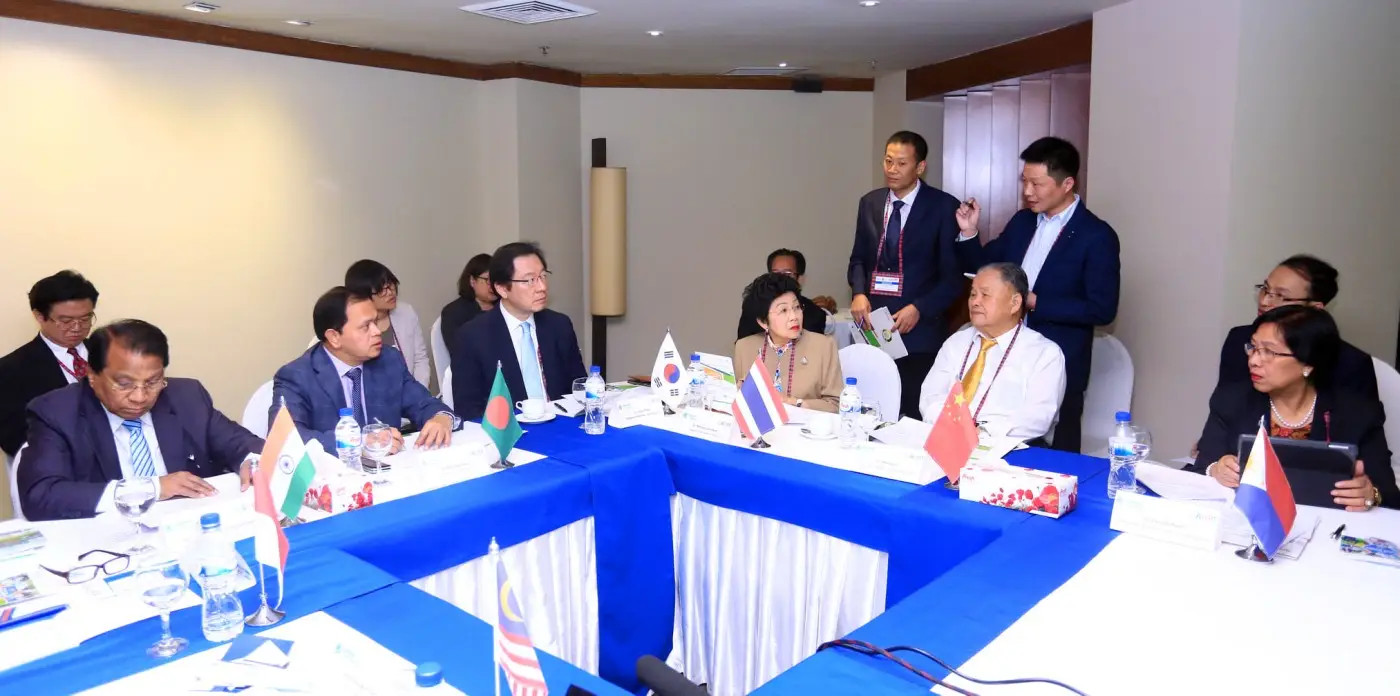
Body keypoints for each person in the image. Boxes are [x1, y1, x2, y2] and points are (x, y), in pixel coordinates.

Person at [954, 136, 1120, 452]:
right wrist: (969, 232)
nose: (1027, 191)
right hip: (1005, 357)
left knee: (1056, 457)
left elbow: (1102, 308)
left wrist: (1036, 302)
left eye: (1037, 184)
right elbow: (986, 268)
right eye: (1024, 181)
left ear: (1067, 184)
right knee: (998, 446)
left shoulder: (1096, 236)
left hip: (1059, 358)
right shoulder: (1023, 222)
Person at [17, 320, 262, 521]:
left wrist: (252, 461)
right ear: (92, 376)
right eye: (124, 384)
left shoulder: (187, 396)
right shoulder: (57, 412)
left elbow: (242, 444)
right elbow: (41, 495)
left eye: (153, 382)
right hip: (109, 537)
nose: (140, 397)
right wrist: (151, 488)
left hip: (187, 526)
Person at [1189, 306, 1397, 511]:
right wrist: (1215, 469)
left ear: (1308, 363)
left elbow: (1388, 492)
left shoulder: (1357, 412)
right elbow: (1201, 465)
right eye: (1252, 347)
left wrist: (1371, 495)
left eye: (1269, 351)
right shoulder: (1231, 400)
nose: (1253, 360)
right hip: (1252, 519)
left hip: (1330, 522)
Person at [847, 131, 964, 419]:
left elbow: (953, 278)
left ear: (920, 167)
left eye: (901, 163)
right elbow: (858, 258)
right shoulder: (870, 202)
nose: (892, 169)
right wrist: (859, 292)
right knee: (871, 411)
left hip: (919, 333)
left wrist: (920, 308)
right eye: (888, 161)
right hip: (874, 328)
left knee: (910, 415)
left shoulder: (943, 207)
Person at [273, 287, 458, 455]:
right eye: (365, 326)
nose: (377, 331)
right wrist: (357, 443)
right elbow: (286, 439)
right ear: (334, 337)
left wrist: (441, 418)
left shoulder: (388, 360)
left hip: (390, 469)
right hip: (333, 475)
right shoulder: (296, 376)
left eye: (375, 322)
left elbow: (423, 403)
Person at [920, 263, 1067, 442]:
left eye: (985, 295)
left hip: (1009, 446)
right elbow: (931, 395)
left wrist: (982, 432)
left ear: (1014, 303)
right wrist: (951, 425)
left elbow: (1038, 417)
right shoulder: (956, 342)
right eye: (973, 294)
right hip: (948, 438)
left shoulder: (1044, 353)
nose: (975, 302)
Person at [450, 242, 586, 421]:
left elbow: (579, 388)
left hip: (561, 425)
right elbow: (468, 410)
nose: (542, 287)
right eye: (530, 280)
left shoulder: (559, 325)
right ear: (502, 288)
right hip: (507, 431)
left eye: (543, 276)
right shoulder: (472, 336)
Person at [1215, 255, 1377, 399]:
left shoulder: (1353, 363)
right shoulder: (1240, 339)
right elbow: (1226, 405)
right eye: (1265, 289)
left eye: (1280, 295)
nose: (1264, 301)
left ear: (1314, 308)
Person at [0, 271, 101, 458]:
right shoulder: (10, 369)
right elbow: (14, 438)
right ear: (39, 316)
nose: (77, 327)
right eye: (66, 320)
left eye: (85, 319)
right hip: (60, 464)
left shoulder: (110, 353)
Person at [733, 273, 844, 412]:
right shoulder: (744, 347)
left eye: (797, 307)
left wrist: (793, 402)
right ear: (763, 322)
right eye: (783, 310)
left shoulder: (824, 346)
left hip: (807, 424)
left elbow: (835, 405)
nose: (794, 317)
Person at [345, 260, 431, 388]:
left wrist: (419, 393)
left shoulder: (406, 312)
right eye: (381, 290)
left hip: (408, 392)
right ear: (362, 296)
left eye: (390, 285)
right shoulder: (349, 326)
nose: (391, 293)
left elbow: (420, 359)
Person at [736, 249, 827, 340]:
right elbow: (743, 343)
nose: (780, 279)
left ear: (800, 279)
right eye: (775, 274)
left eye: (787, 274)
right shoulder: (754, 308)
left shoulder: (815, 314)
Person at [440, 253, 496, 355]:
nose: (493, 286)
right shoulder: (453, 312)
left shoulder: (504, 306)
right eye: (488, 280)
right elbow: (460, 352)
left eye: (496, 280)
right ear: (472, 281)